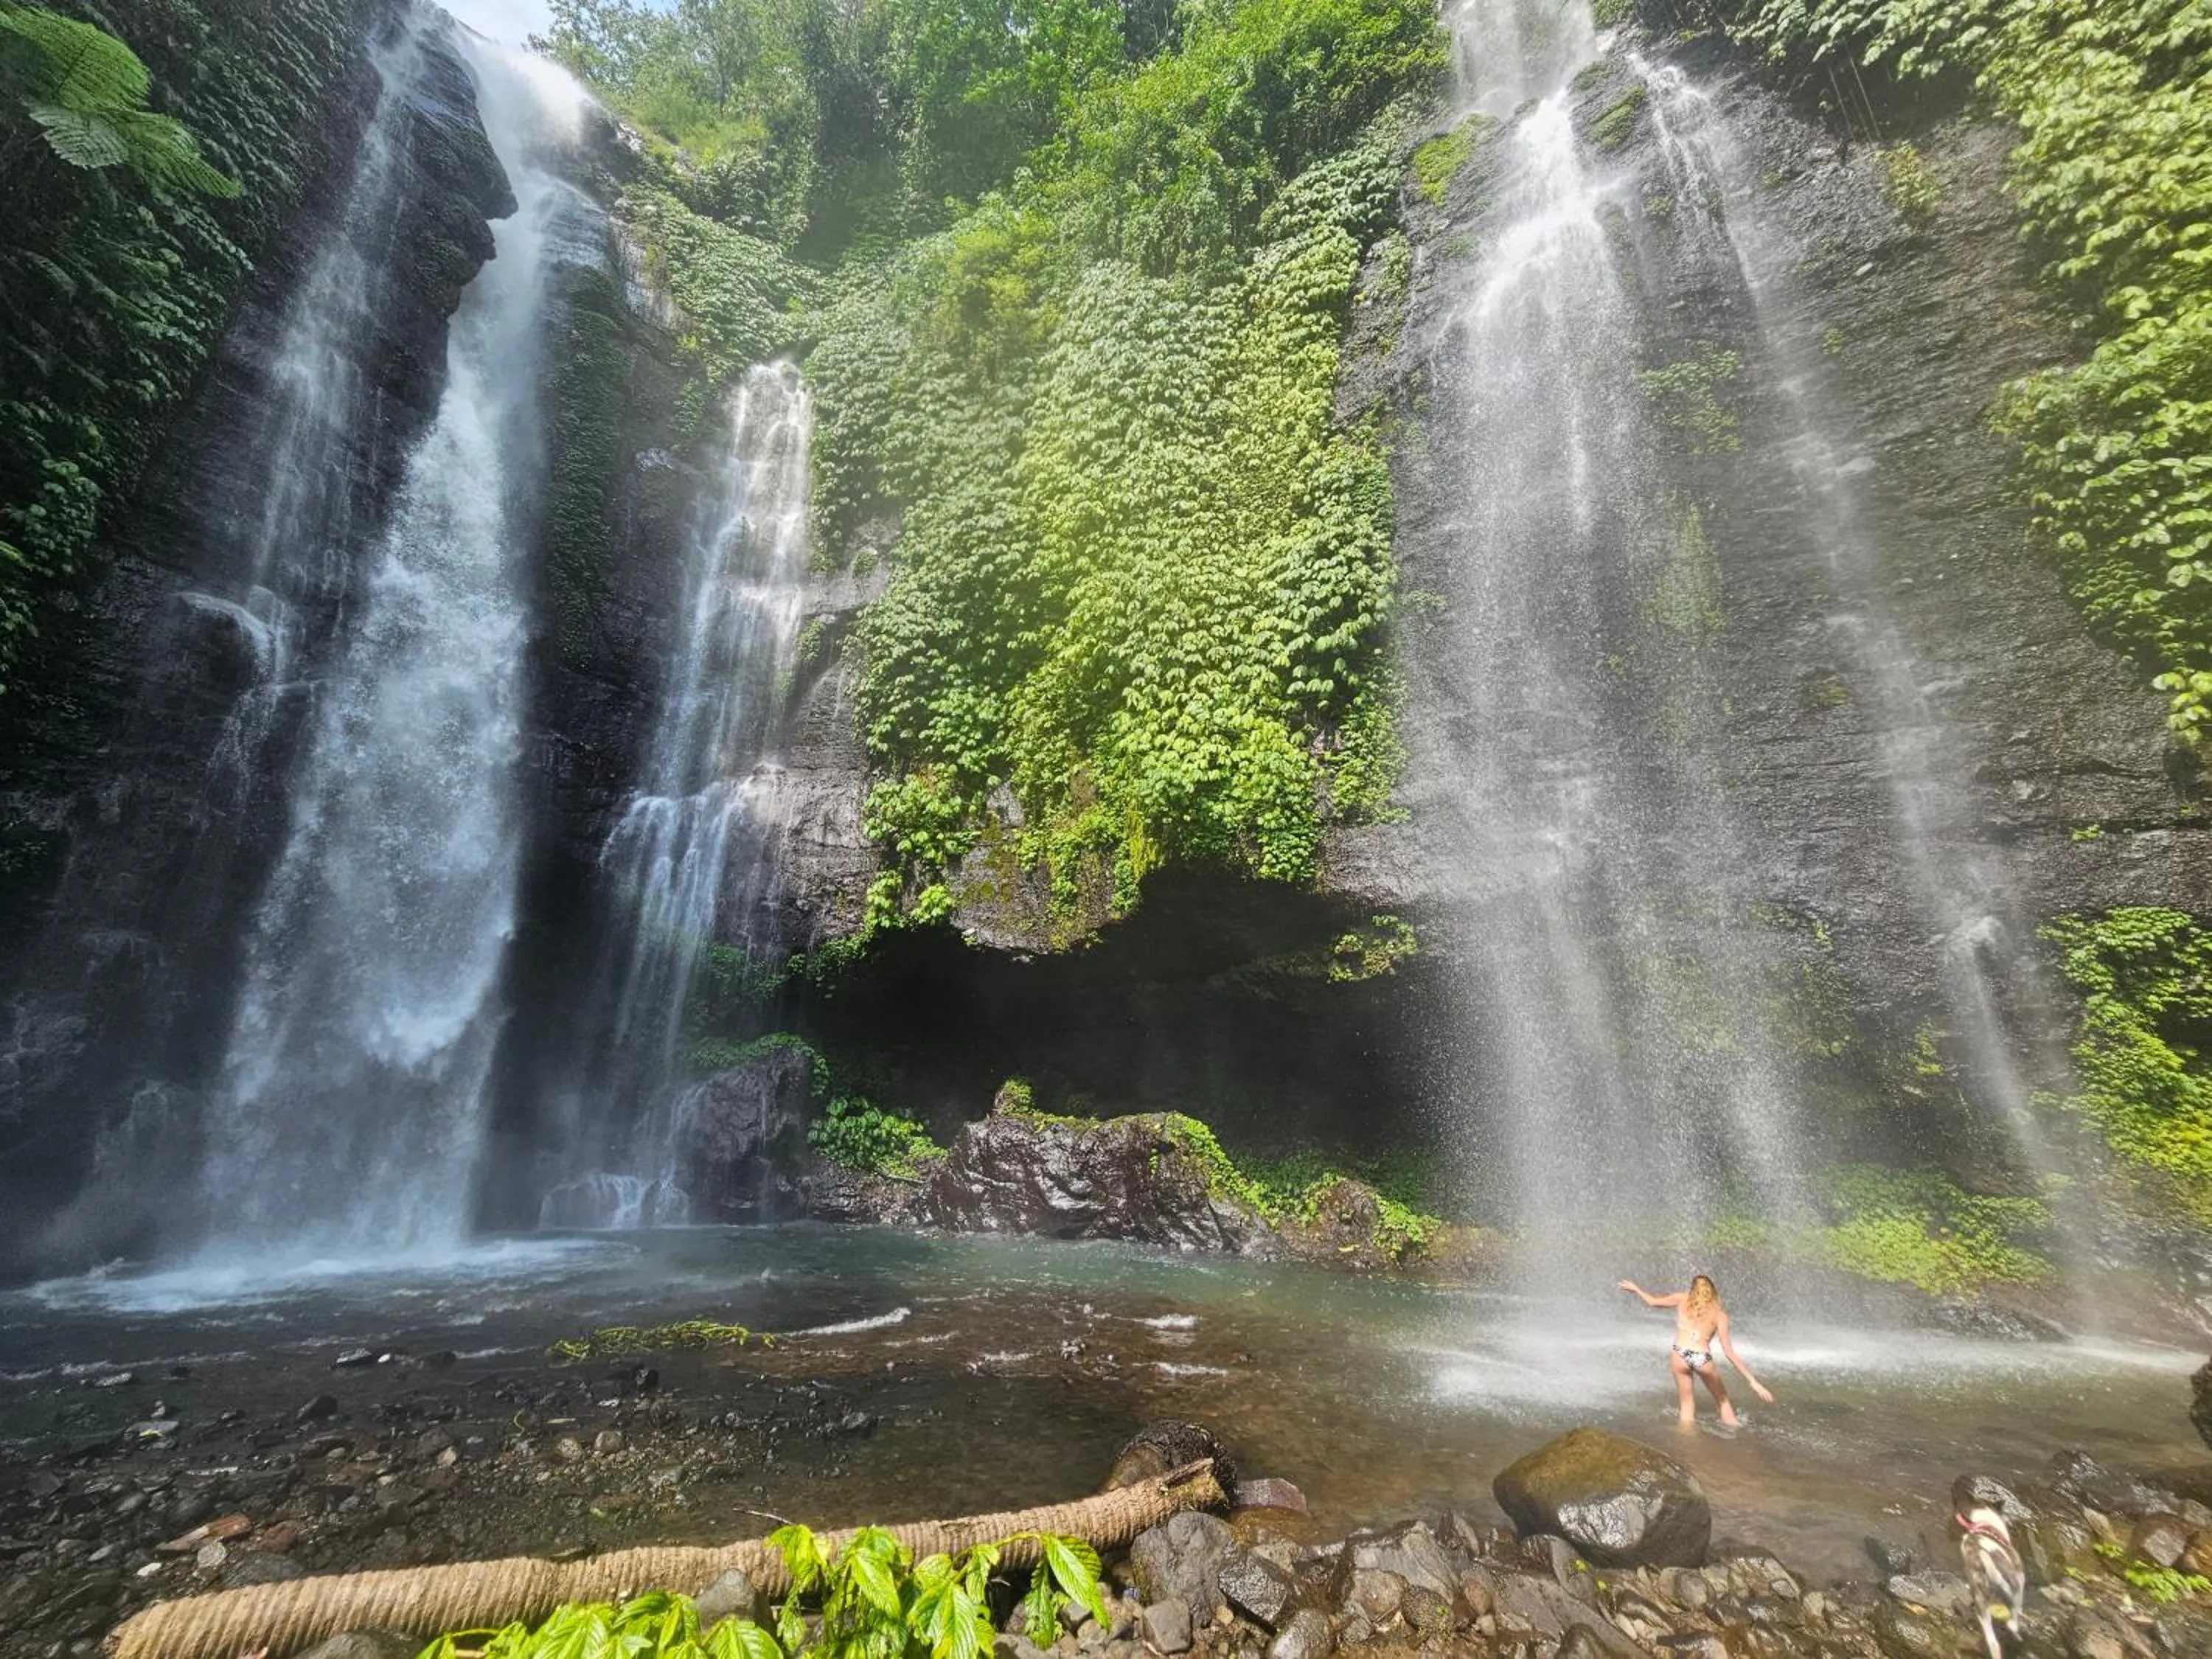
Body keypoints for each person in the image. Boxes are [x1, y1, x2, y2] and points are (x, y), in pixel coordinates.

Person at [1617, 1273, 1774, 1427]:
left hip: (1679, 1353)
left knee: (1686, 1404)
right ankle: (1735, 1436)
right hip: (1702, 1358)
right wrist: (1752, 1381)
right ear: (1713, 1291)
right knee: (1722, 1400)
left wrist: (1637, 1289)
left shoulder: (1681, 1299)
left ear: (1692, 1289)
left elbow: (1653, 1302)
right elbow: (1728, 1352)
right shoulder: (1720, 1315)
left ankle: (1686, 1443)